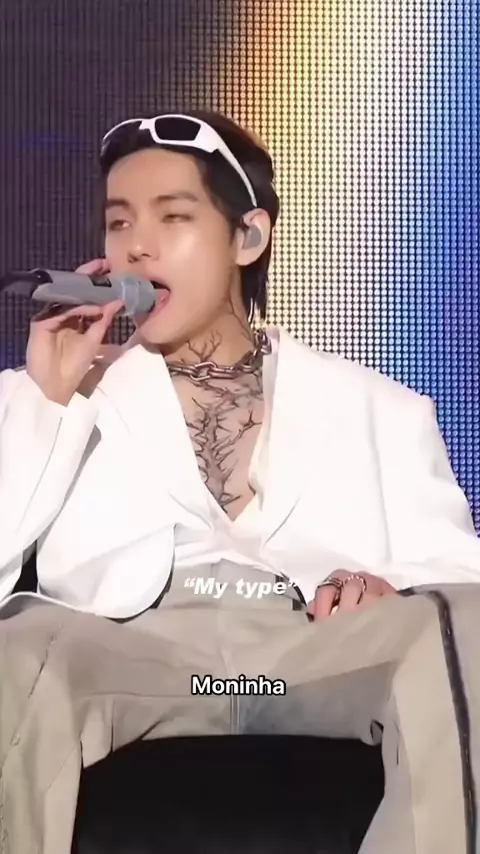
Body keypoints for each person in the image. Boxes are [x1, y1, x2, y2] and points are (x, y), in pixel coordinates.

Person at [0, 110, 480, 854]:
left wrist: (390, 590)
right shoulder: (46, 394)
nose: (137, 245)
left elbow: (459, 580)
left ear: (248, 237)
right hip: (132, 651)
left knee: (462, 628)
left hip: (314, 650)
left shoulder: (379, 406)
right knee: (18, 649)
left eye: (173, 217)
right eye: (119, 222)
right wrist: (48, 402)